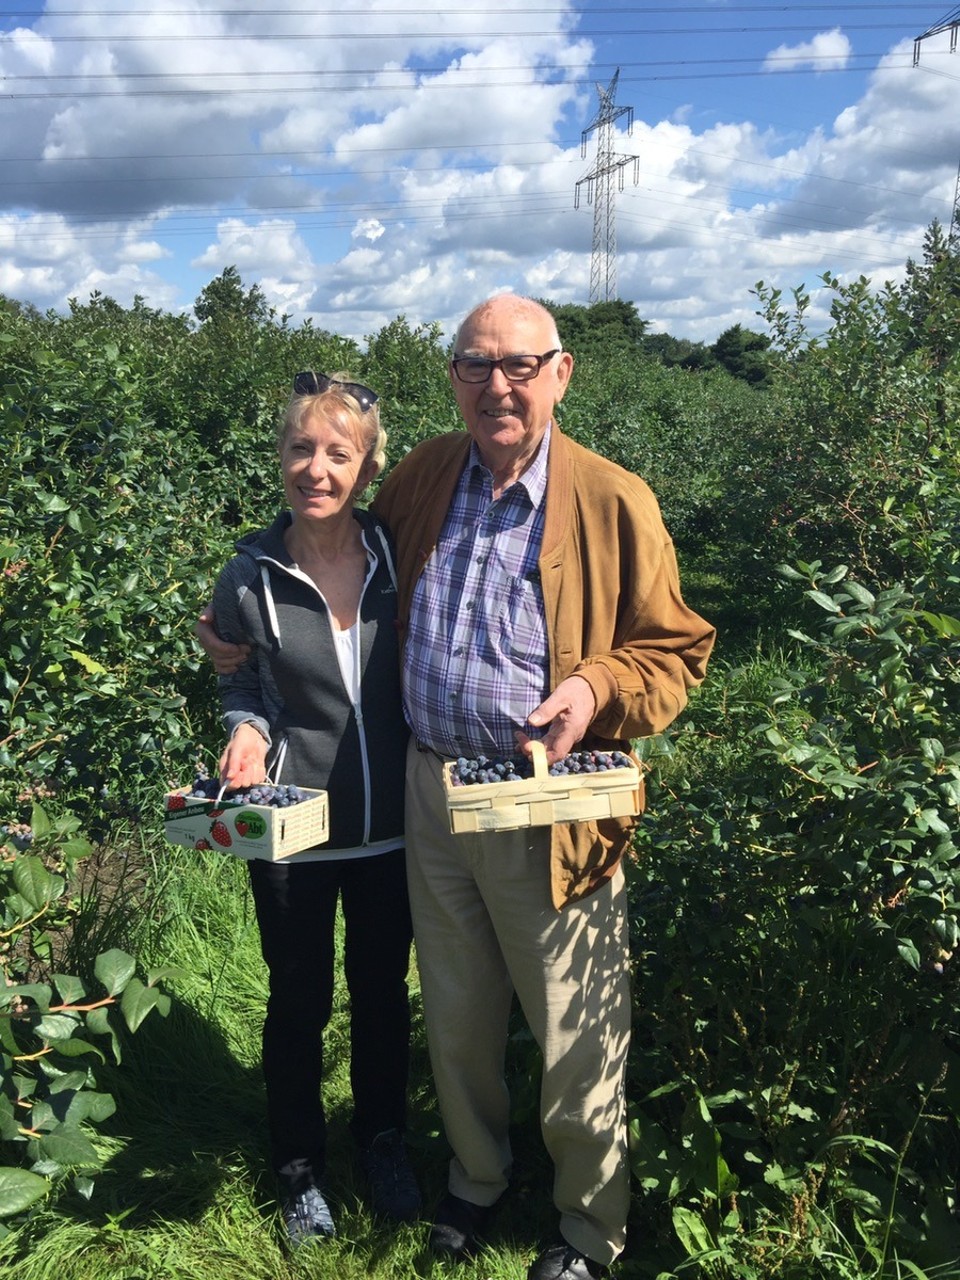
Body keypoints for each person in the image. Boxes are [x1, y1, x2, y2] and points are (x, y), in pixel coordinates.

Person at [200, 297, 714, 1279]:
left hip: (549, 802)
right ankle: (475, 1178)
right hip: (429, 794)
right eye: (476, 365)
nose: (498, 385)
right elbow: (325, 549)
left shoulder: (611, 499)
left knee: (574, 1028)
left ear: (562, 373)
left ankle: (585, 1226)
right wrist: (231, 629)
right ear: (453, 379)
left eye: (520, 364)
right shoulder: (432, 472)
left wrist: (591, 684)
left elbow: (676, 647)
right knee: (460, 1012)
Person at [208, 370, 420, 1248]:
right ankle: (298, 1166)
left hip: (391, 827)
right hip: (294, 830)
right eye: (302, 447)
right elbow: (241, 683)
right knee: (298, 1000)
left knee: (380, 993)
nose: (317, 468)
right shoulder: (250, 574)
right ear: (282, 456)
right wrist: (248, 730)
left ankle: (383, 1138)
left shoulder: (396, 555)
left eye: (339, 453)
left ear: (366, 468)